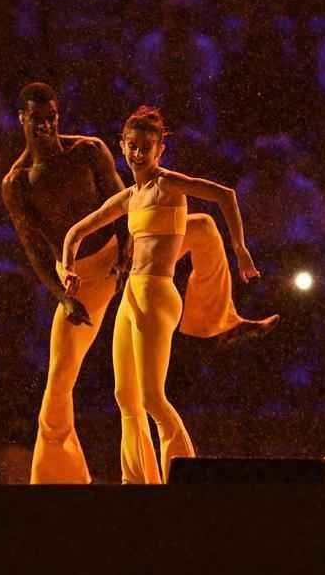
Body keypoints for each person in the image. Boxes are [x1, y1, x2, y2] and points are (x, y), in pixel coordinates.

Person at [2, 83, 277, 484]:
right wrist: (64, 288)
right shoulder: (26, 183)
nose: (45, 126)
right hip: (101, 280)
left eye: (52, 118)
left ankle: (222, 321)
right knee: (91, 386)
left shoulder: (101, 156)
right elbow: (52, 240)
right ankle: (96, 478)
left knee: (201, 228)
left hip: (138, 271)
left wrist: (241, 250)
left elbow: (213, 196)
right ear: (22, 120)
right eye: (37, 120)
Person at [61, 105, 262, 484]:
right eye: (132, 146)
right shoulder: (128, 198)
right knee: (125, 396)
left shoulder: (168, 184)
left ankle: (185, 475)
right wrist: (66, 266)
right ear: (122, 146)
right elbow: (77, 231)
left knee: (153, 396)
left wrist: (239, 248)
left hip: (158, 293)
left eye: (146, 147)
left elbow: (225, 195)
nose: (138, 153)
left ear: (159, 151)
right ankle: (138, 479)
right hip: (131, 296)